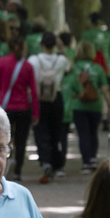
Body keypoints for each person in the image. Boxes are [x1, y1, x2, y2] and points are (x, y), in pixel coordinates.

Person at [0, 36, 39, 182]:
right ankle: (17, 171)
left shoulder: (1, 63)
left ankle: (4, 166)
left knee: (4, 140)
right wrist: (36, 112)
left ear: (9, 47)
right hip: (23, 108)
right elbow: (34, 92)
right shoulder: (27, 66)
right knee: (22, 140)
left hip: (5, 109)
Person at [27, 32, 71, 184]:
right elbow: (70, 67)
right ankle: (56, 163)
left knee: (40, 130)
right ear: (54, 45)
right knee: (55, 131)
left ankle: (45, 161)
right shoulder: (61, 60)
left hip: (39, 99)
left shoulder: (34, 60)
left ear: (42, 44)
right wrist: (62, 49)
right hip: (56, 97)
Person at [66, 39, 110, 173]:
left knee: (83, 134)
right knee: (93, 133)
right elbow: (105, 89)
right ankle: (93, 158)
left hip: (78, 105)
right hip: (95, 105)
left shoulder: (73, 68)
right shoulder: (98, 68)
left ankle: (86, 162)